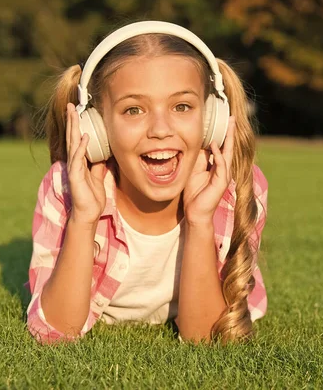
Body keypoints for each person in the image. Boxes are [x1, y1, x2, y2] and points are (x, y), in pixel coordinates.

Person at [27, 21, 268, 344]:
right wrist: (83, 218)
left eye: (182, 106)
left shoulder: (235, 183)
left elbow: (205, 338)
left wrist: (199, 220)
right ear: (96, 127)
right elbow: (55, 332)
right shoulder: (67, 187)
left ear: (211, 118)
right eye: (133, 110)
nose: (160, 129)